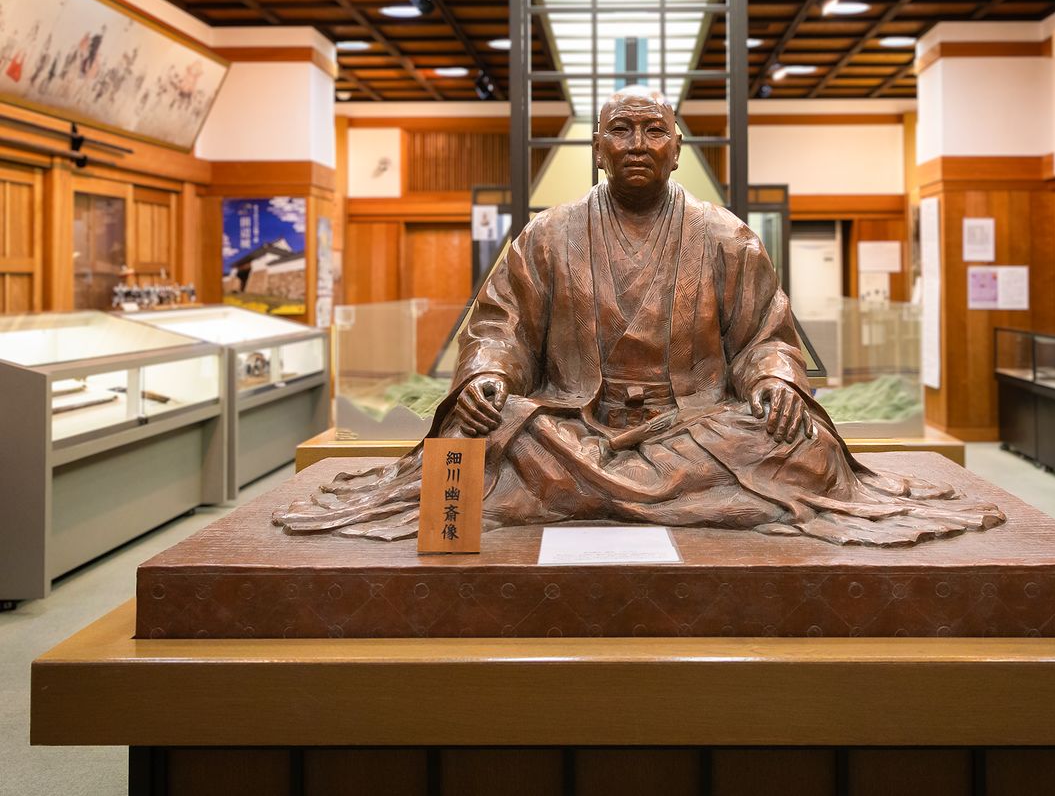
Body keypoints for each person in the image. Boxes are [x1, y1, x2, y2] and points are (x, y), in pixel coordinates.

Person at [275, 88, 1001, 546]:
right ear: (597, 150)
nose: (636, 146)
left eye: (653, 131)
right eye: (619, 131)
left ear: (677, 148)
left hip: (694, 423)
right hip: (574, 421)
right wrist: (488, 375)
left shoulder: (725, 236)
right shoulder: (548, 235)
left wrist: (775, 382)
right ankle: (670, 497)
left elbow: (763, 337)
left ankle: (587, 492)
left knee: (800, 443)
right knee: (490, 428)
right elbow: (501, 328)